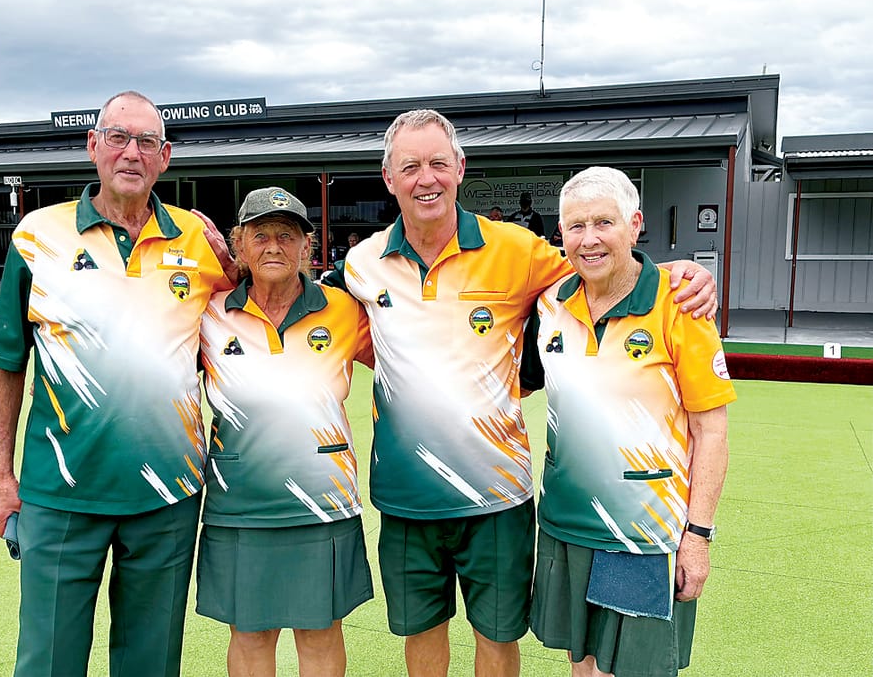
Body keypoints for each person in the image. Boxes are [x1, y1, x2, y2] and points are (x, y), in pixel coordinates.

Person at [322, 109, 718, 677]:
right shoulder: (363, 263)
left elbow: (600, 265)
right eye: (410, 167)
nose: (426, 178)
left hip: (498, 496)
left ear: (460, 167)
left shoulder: (517, 249)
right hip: (405, 495)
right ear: (389, 178)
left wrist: (678, 271)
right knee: (422, 634)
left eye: (438, 163)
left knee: (498, 636)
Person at [0, 90, 234, 677]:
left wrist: (238, 263)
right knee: (48, 662)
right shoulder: (37, 235)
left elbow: (245, 319)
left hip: (168, 495)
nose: (131, 152)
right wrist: (1, 478)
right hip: (60, 493)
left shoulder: (197, 240)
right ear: (93, 145)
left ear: (165, 157)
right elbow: (5, 363)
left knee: (151, 664)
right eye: (118, 137)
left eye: (147, 141)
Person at [527, 166, 735, 677]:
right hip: (566, 523)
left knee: (637, 669)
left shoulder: (681, 305)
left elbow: (712, 431)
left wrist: (697, 537)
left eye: (605, 223)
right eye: (576, 226)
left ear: (635, 224)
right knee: (582, 659)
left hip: (644, 532)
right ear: (561, 233)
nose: (589, 239)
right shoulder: (550, 303)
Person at [196, 187, 375, 677]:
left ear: (306, 247)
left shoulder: (343, 309)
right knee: (249, 633)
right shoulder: (209, 312)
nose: (273, 246)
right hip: (239, 505)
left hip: (323, 501)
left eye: (286, 235)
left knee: (320, 632)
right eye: (260, 235)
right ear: (239, 244)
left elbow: (402, 361)